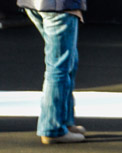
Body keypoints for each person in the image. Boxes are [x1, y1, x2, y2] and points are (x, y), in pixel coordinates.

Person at [18, 0, 86, 144]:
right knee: (59, 67)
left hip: (39, 4)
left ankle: (63, 121)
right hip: (59, 7)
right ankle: (53, 129)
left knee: (67, 62)